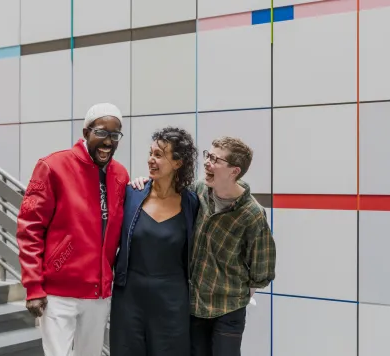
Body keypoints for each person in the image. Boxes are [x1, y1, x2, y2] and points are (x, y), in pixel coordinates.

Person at [131, 136, 276, 356]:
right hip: (194, 308)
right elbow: (164, 191)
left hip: (228, 311)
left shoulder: (252, 214)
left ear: (234, 171)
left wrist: (235, 294)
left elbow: (262, 271)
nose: (207, 162)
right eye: (208, 155)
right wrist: (143, 183)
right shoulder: (198, 191)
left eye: (216, 160)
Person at [16, 103, 129, 356]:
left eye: (115, 135)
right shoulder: (52, 166)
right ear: (86, 131)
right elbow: (29, 230)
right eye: (101, 132)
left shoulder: (120, 175)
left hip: (98, 293)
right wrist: (33, 286)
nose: (108, 142)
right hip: (58, 293)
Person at [110, 127, 199, 356]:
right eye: (151, 153)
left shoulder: (192, 204)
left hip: (172, 300)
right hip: (129, 297)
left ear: (177, 163)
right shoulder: (132, 194)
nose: (151, 160)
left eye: (159, 155)